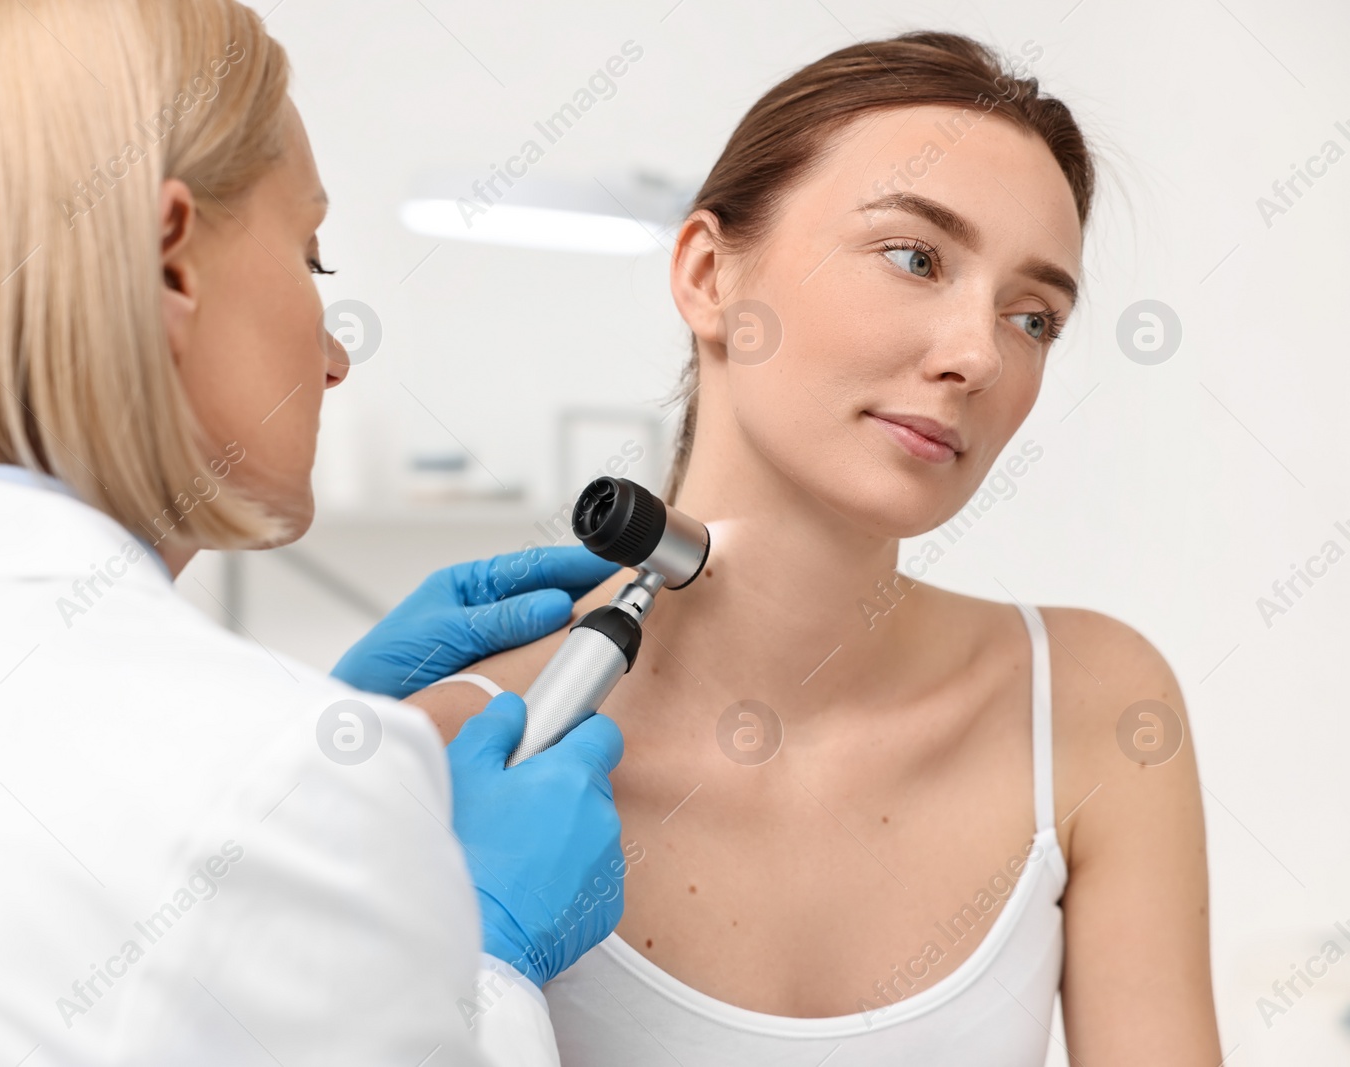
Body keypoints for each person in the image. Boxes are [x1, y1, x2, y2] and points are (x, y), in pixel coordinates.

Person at [0, 1, 630, 1063]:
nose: (336, 358)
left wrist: (317, 749)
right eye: (312, 258)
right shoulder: (274, 784)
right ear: (170, 260)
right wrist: (485, 959)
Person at [411, 32, 1223, 1066]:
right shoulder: (456, 751)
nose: (977, 354)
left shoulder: (1092, 707)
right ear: (708, 274)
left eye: (1033, 316)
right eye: (914, 256)